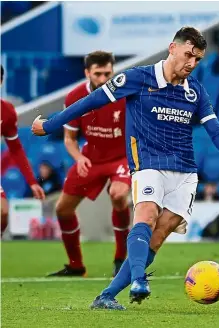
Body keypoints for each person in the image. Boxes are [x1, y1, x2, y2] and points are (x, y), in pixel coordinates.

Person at [32, 26, 219, 310]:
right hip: (148, 163)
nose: (191, 63)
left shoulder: (196, 92)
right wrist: (49, 125)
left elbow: (215, 131)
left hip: (185, 172)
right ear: (173, 48)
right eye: (188, 55)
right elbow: (90, 102)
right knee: (146, 213)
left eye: (198, 59)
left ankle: (106, 296)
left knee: (160, 234)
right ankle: (139, 279)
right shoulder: (136, 78)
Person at [45, 51, 131, 278]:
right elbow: (69, 139)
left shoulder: (124, 94)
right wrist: (79, 158)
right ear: (87, 73)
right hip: (90, 159)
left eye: (108, 73)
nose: (104, 79)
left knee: (118, 195)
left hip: (121, 158)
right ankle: (76, 266)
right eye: (98, 74)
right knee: (62, 209)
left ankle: (121, 259)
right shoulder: (74, 96)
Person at [0, 65, 45, 236]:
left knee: (3, 213)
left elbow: (16, 149)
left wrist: (32, 181)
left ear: (1, 82)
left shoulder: (7, 112)